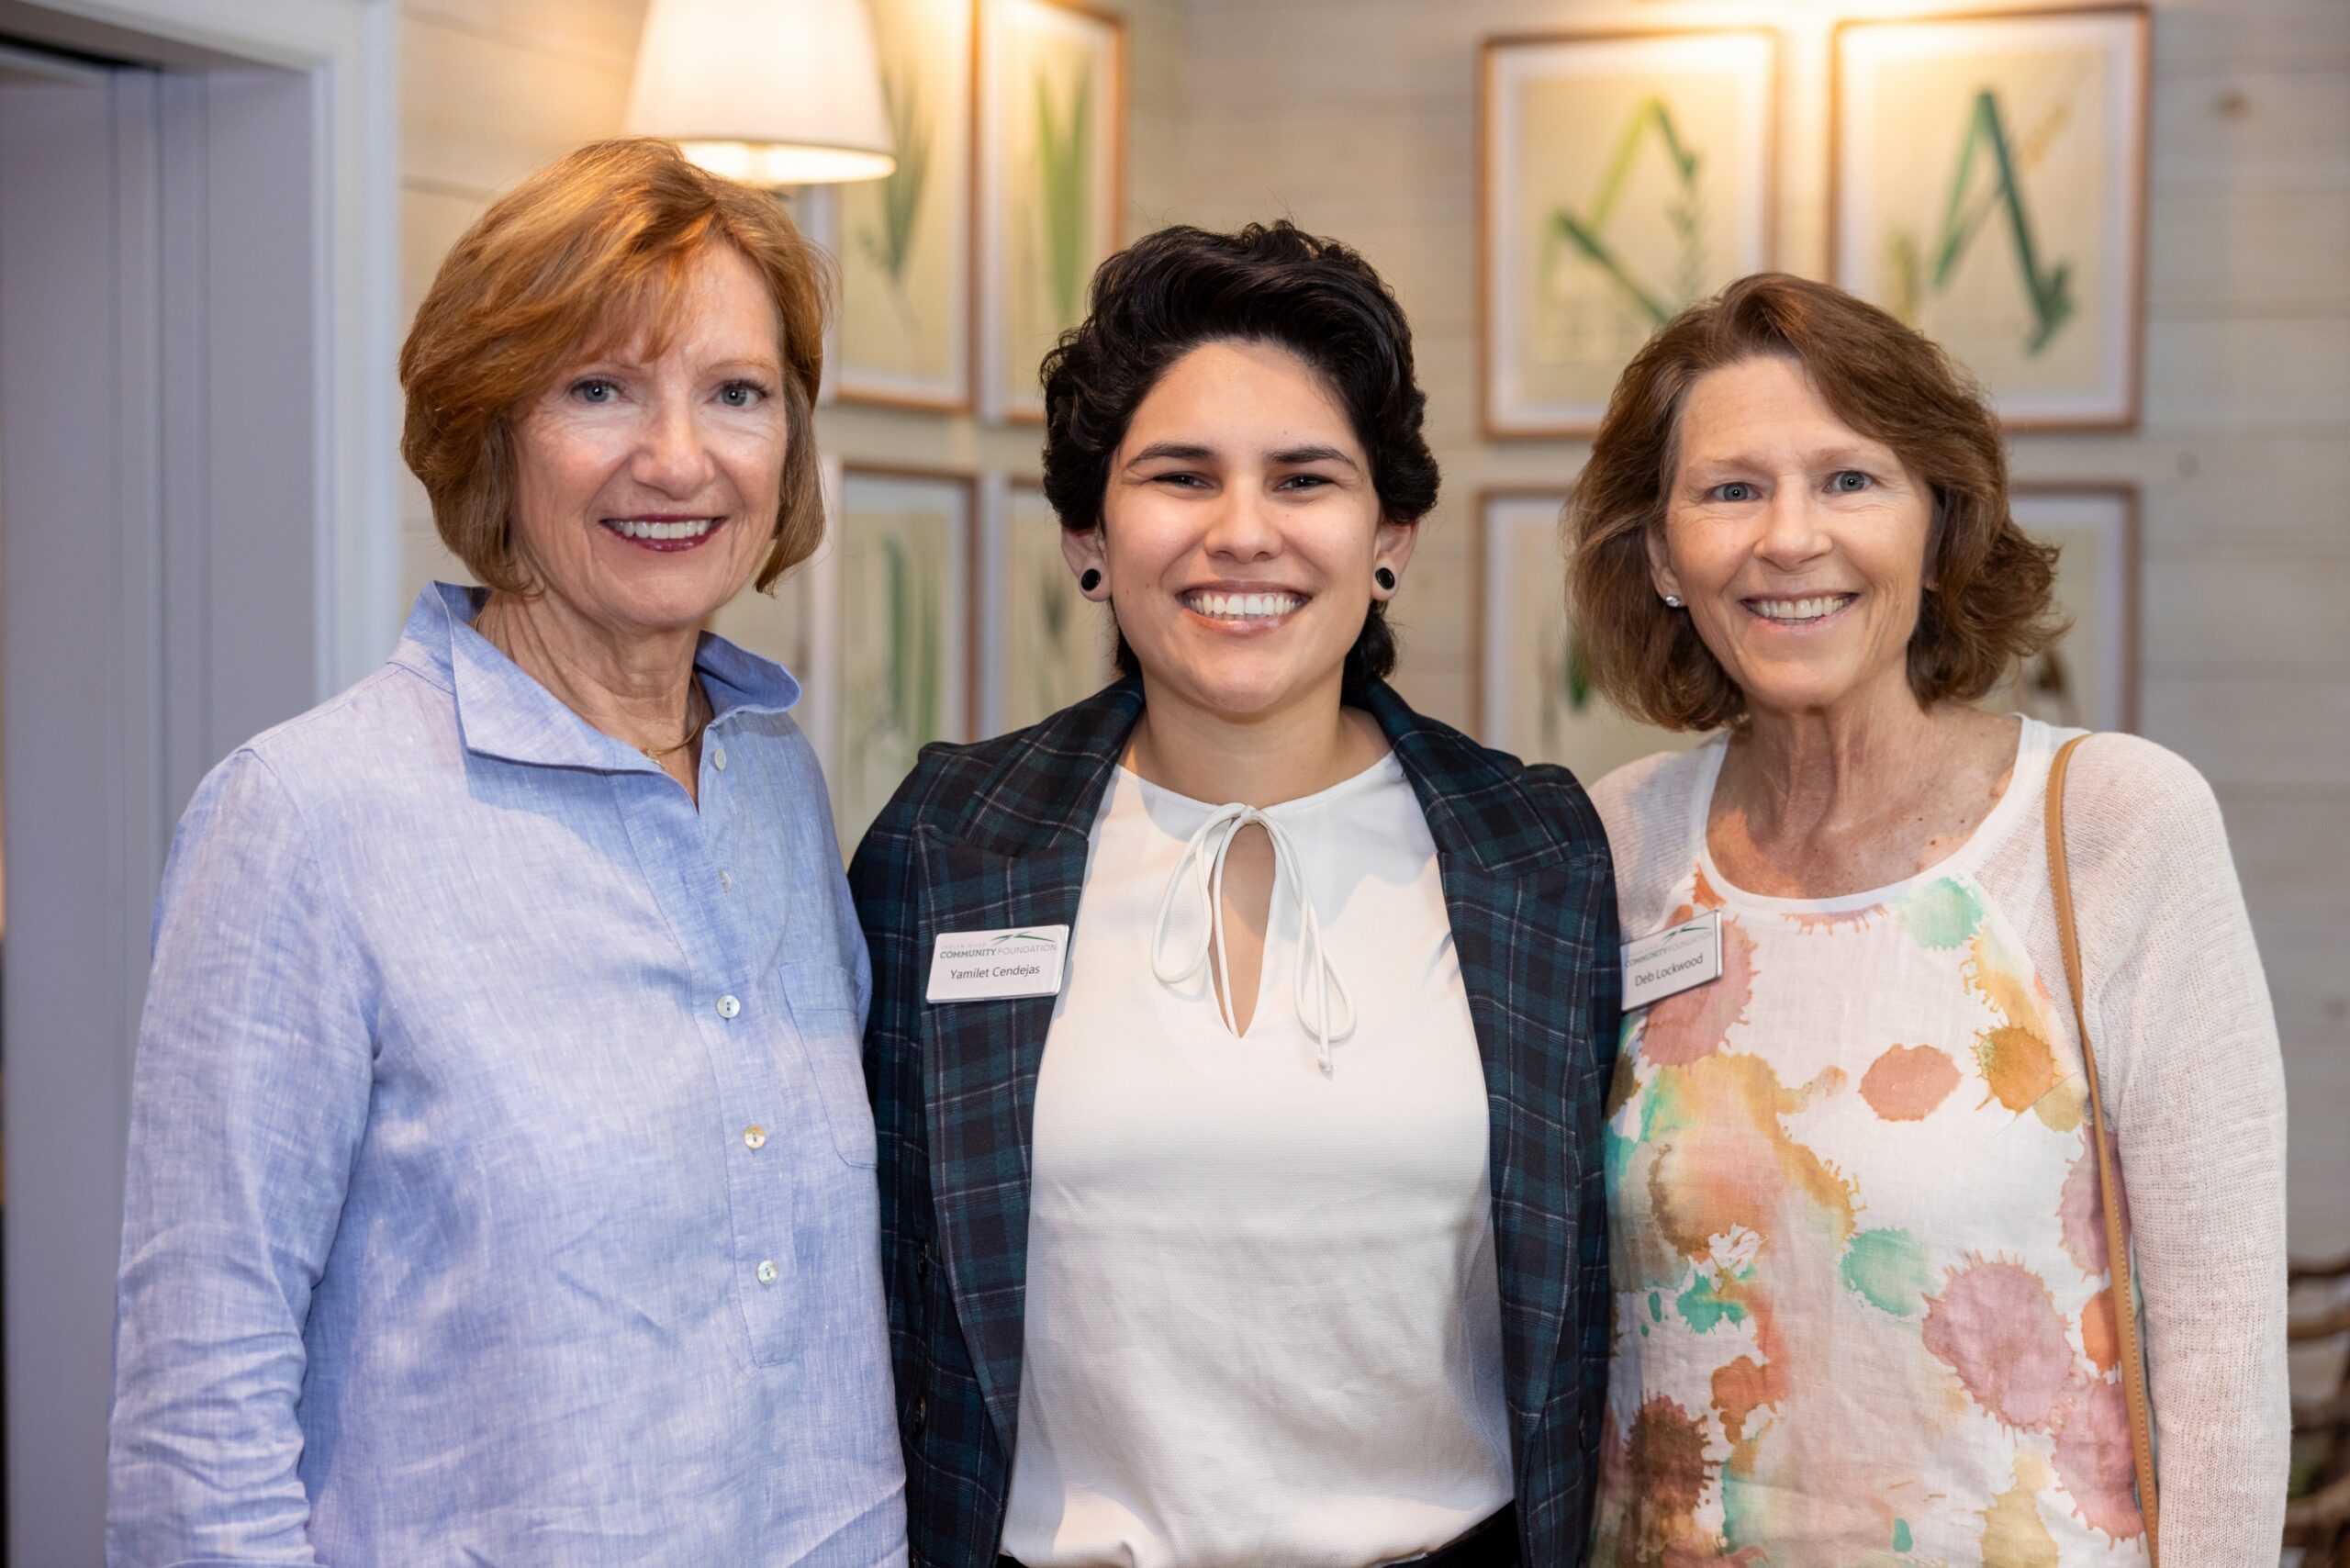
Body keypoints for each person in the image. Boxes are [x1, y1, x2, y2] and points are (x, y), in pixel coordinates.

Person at [106, 140, 904, 1565]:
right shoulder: (304, 819)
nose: (679, 459)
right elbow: (196, 1426)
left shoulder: (774, 778)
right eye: (600, 390)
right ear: (492, 432)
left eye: (736, 393)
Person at [849, 222, 1620, 1568]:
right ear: (1089, 535)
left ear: (1390, 535)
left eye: (1304, 478)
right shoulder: (953, 844)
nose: (1243, 532)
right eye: (1181, 476)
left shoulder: (1538, 854)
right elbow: (882, 1282)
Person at [1571, 272, 2288, 1564]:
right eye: (1731, 491)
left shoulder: (2112, 823)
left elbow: (2222, 1343)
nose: (1790, 537)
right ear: (1664, 557)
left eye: (1850, 480)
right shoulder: (1619, 842)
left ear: (1938, 525)